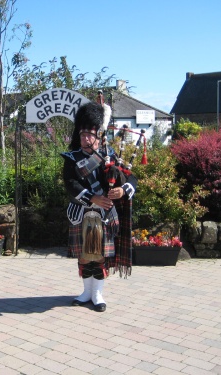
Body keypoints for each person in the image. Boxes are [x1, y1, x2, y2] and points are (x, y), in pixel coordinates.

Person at [61, 100, 137, 312]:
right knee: (85, 254)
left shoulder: (111, 155)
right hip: (82, 213)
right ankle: (86, 291)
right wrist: (92, 198)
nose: (85, 138)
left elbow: (132, 179)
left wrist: (123, 190)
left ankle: (97, 293)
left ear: (98, 135)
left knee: (101, 254)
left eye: (89, 134)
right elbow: (70, 183)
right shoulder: (72, 159)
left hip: (104, 214)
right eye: (82, 134)